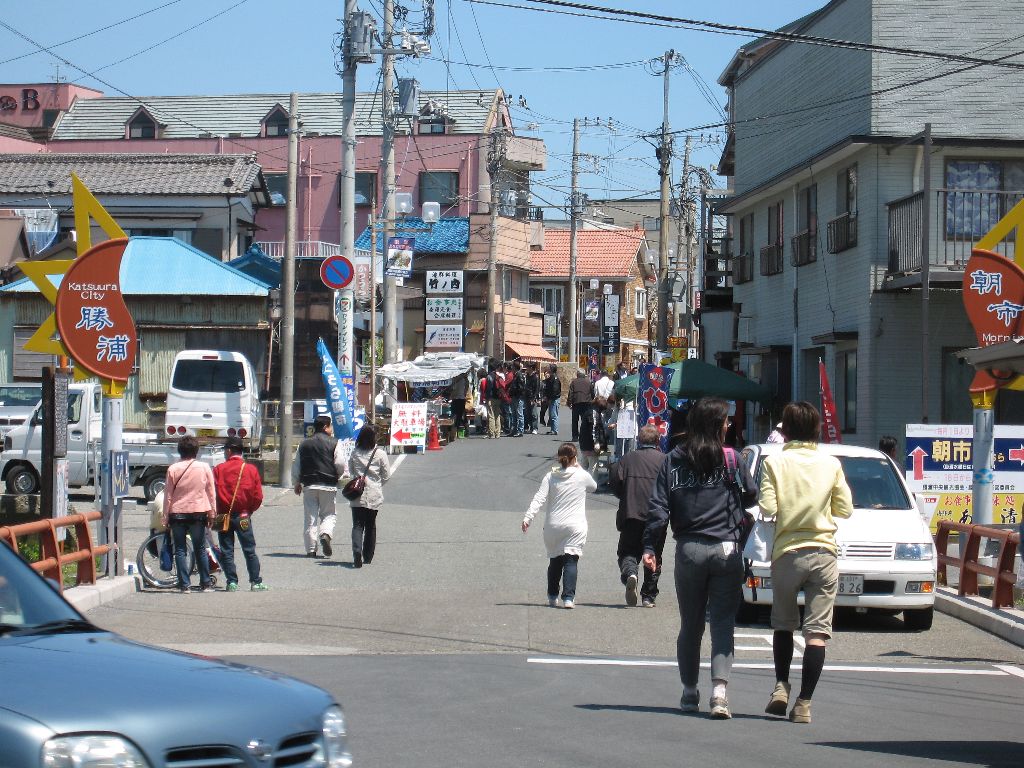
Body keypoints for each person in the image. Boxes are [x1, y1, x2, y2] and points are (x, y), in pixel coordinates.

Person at [643, 397, 758, 719]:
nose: (729, 424)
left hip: (690, 549)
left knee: (691, 625)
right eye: (725, 420)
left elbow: (658, 509)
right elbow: (752, 495)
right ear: (715, 425)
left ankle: (689, 691)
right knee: (722, 622)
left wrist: (651, 548)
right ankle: (719, 694)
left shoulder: (674, 459)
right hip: (727, 549)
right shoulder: (733, 459)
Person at [759, 401, 853, 725]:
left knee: (783, 624)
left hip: (787, 552)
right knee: (817, 633)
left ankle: (781, 687)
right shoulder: (831, 464)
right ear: (816, 429)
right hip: (824, 553)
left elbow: (768, 508)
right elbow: (845, 509)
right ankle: (804, 704)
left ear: (784, 429)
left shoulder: (775, 462)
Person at [521, 442, 597, 608]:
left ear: (559, 458)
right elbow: (593, 486)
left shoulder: (550, 477)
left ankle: (552, 595)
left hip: (553, 526)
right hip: (575, 525)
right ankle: (568, 598)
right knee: (571, 561)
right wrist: (579, 467)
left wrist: (528, 518)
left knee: (555, 561)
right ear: (574, 458)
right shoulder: (581, 475)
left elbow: (539, 499)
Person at [609, 425, 667, 607]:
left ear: (639, 440)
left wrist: (624, 495)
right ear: (658, 441)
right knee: (654, 553)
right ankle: (648, 595)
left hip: (631, 512)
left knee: (628, 550)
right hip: (657, 514)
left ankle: (630, 573)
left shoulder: (628, 458)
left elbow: (615, 480)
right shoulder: (665, 460)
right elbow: (671, 488)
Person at [162, 435, 217, 593]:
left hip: (177, 513)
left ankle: (184, 584)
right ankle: (205, 583)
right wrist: (212, 511)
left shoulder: (172, 469)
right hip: (198, 512)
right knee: (200, 547)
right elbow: (211, 492)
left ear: (180, 451)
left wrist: (165, 515)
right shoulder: (204, 467)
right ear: (196, 451)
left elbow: (168, 495)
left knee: (180, 549)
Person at [213, 436, 267, 592]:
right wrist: (249, 510)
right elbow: (258, 496)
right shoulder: (250, 469)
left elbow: (213, 493)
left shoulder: (218, 469)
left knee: (226, 550)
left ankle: (231, 582)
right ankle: (255, 582)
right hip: (243, 515)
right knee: (249, 549)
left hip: (222, 515)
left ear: (229, 451)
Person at [292, 415, 345, 558]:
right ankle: (325, 534)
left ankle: (311, 549)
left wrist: (297, 482)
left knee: (310, 517)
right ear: (325, 427)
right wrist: (337, 475)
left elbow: (297, 465)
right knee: (329, 514)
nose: (331, 429)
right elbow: (340, 464)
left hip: (309, 484)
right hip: (328, 484)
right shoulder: (334, 443)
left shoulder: (303, 444)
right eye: (330, 426)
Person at [347, 425, 391, 568]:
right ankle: (367, 556)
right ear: (374, 438)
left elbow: (352, 472)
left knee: (357, 525)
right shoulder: (380, 454)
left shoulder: (355, 453)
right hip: (374, 493)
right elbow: (386, 475)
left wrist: (358, 480)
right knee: (371, 526)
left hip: (357, 493)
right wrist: (377, 484)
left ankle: (356, 552)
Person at [579, 396, 608, 474]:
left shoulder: (588, 411)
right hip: (591, 445)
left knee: (583, 466)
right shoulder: (594, 413)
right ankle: (592, 485)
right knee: (593, 467)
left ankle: (581, 484)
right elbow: (593, 429)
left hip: (584, 443)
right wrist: (596, 443)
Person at [567, 369, 593, 441]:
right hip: (587, 403)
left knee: (575, 420)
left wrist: (569, 403)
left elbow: (570, 393)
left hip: (576, 402)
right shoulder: (588, 382)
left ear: (577, 374)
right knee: (585, 420)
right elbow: (592, 393)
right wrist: (592, 401)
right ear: (584, 374)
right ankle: (585, 435)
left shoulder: (574, 382)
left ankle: (575, 436)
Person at [543, 364, 562, 435]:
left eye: (549, 367)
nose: (547, 368)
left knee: (554, 414)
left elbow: (555, 390)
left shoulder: (555, 379)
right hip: (551, 398)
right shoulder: (550, 378)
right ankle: (552, 429)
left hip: (554, 399)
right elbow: (547, 388)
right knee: (551, 414)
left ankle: (555, 430)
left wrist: (550, 398)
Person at [485, 365, 503, 439]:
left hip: (491, 398)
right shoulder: (498, 376)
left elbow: (488, 389)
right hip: (498, 398)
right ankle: (498, 433)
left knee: (491, 415)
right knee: (497, 415)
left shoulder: (489, 377)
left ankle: (492, 434)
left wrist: (487, 397)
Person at [525, 362, 542, 435]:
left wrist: (534, 398)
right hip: (526, 396)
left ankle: (535, 428)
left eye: (528, 367)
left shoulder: (535, 377)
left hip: (533, 397)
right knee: (528, 413)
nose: (527, 369)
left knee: (534, 413)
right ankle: (531, 427)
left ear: (531, 368)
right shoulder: (527, 376)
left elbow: (537, 389)